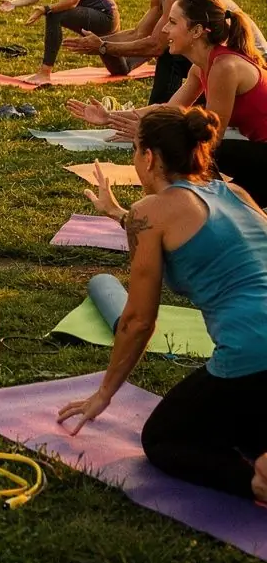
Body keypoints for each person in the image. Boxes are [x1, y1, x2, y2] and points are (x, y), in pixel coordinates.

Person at [57, 105, 267, 505]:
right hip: (258, 360)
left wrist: (103, 393)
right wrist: (118, 214)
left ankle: (258, 485)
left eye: (135, 151)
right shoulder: (236, 194)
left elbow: (137, 320)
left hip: (251, 353)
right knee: (241, 425)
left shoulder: (151, 211)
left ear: (148, 156)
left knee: (163, 439)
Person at [71, 0, 267, 207]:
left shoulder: (224, 67)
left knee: (190, 149)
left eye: (172, 22)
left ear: (197, 31)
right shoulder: (201, 67)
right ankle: (211, 211)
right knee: (235, 207)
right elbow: (168, 109)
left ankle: (208, 212)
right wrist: (110, 117)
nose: (164, 29)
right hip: (260, 155)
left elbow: (211, 140)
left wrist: (153, 134)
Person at [63, 0, 267, 104]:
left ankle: (160, 111)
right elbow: (138, 33)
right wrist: (97, 42)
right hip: (219, 57)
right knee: (173, 49)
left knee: (171, 52)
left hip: (248, 59)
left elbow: (156, 46)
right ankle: (162, 111)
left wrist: (104, 47)